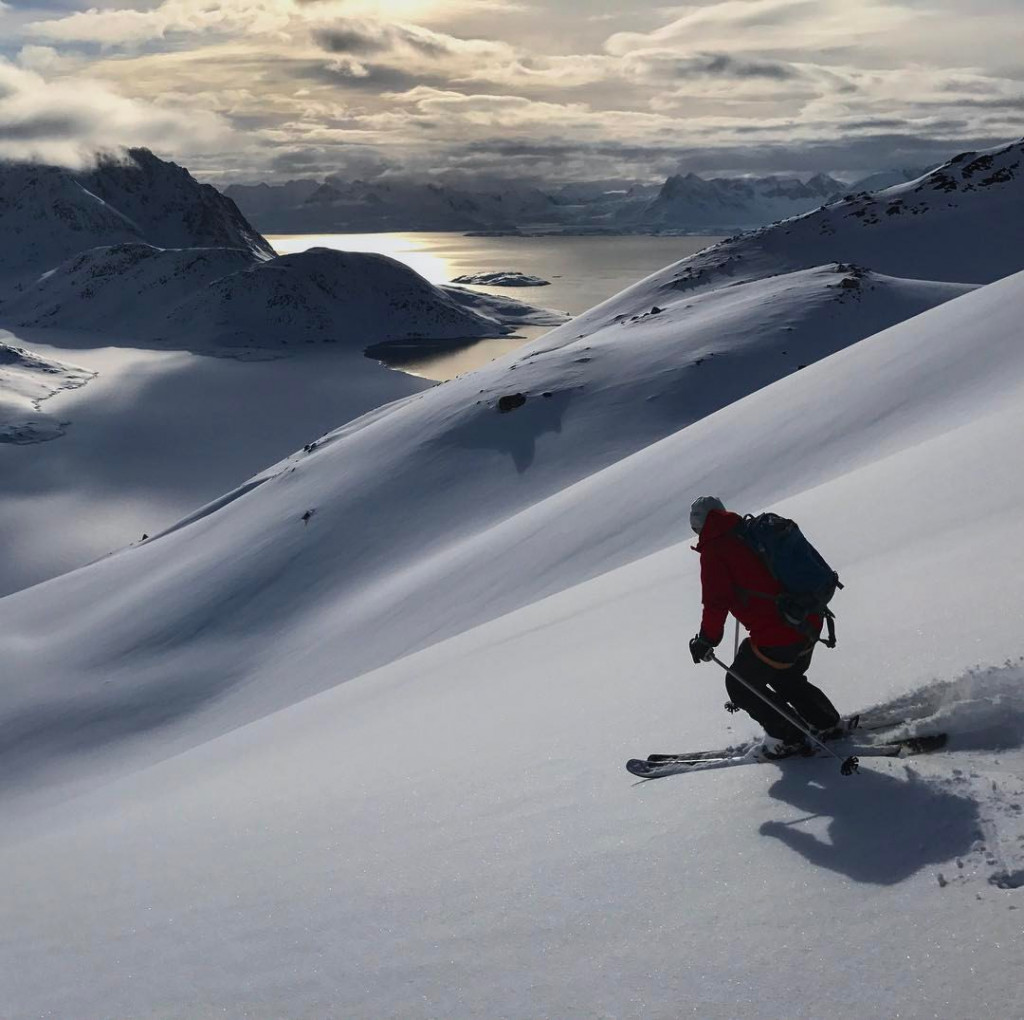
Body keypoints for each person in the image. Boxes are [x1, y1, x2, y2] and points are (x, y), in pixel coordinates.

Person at [686, 495, 841, 758]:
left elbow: (715, 602)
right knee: (784, 675)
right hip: (809, 619)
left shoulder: (715, 550)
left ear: (698, 525)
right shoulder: (748, 531)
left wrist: (706, 641)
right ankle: (827, 723)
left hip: (780, 632)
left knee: (739, 684)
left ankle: (788, 737)